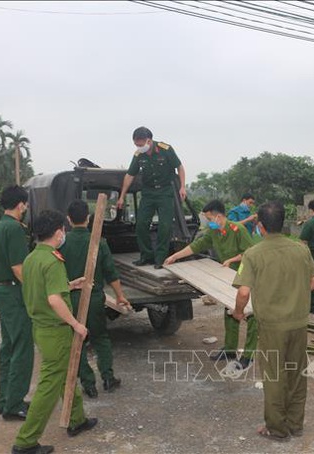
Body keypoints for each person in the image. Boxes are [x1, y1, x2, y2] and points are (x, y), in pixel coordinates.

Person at [232, 201, 314, 441]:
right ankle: (295, 423)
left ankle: (277, 428)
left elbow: (243, 292)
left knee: (274, 376)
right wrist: (294, 292)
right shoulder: (301, 249)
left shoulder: (253, 254)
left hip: (272, 326)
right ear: (283, 224)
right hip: (298, 323)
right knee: (296, 373)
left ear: (260, 226)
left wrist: (238, 313)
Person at [12, 210, 97, 454]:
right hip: (56, 331)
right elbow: (53, 300)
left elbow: (44, 290)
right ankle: (25, 442)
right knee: (49, 385)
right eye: (63, 230)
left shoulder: (32, 259)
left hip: (42, 329)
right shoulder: (52, 260)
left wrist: (69, 285)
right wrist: (76, 324)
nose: (64, 234)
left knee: (64, 374)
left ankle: (76, 419)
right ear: (58, 232)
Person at [164, 200, 257, 369]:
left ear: (219, 216)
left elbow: (251, 253)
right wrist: (175, 257)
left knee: (251, 314)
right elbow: (196, 246)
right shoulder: (213, 232)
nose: (208, 222)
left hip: (246, 277)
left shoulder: (238, 230)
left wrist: (233, 259)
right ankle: (230, 349)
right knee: (230, 311)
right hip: (228, 280)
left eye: (209, 218)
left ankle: (249, 355)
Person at [60, 200, 132, 398]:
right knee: (101, 338)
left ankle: (88, 384)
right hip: (94, 299)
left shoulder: (62, 244)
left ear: (68, 219)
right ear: (88, 218)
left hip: (70, 299)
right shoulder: (98, 242)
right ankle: (108, 378)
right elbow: (111, 273)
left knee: (78, 341)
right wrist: (120, 296)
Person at [0, 185, 34, 421]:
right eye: (25, 205)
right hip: (14, 294)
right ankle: (14, 404)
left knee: (8, 348)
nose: (25, 208)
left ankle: (4, 399)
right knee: (22, 348)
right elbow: (19, 268)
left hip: (0, 292)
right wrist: (35, 291)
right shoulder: (15, 229)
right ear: (20, 205)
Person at [116, 126, 186, 269]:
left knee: (165, 226)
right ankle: (146, 256)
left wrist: (182, 186)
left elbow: (180, 167)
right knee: (141, 224)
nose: (138, 147)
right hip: (148, 193)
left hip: (165, 192)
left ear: (149, 140)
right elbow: (130, 175)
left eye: (140, 144)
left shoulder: (165, 149)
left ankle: (160, 258)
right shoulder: (138, 155)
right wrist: (122, 196)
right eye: (136, 144)